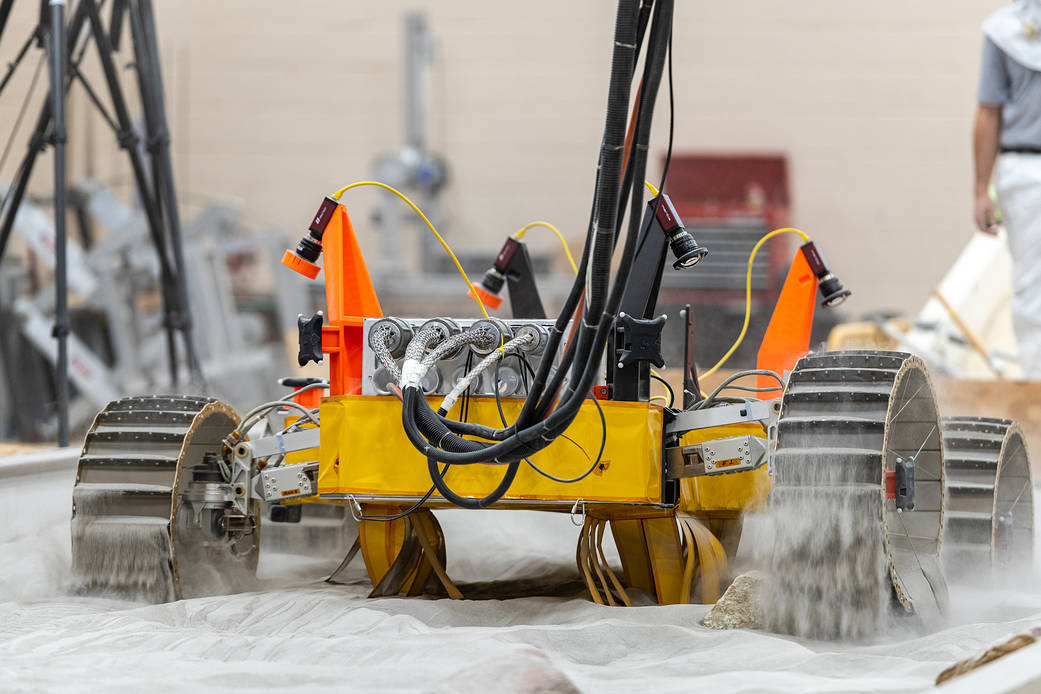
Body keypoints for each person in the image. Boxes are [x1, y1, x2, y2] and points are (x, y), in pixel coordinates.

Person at [974, 0, 1041, 378]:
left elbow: (987, 112)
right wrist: (981, 189)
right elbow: (988, 111)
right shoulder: (1002, 31)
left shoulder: (1001, 29)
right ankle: (1037, 392)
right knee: (1033, 290)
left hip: (1024, 171)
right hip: (1028, 172)